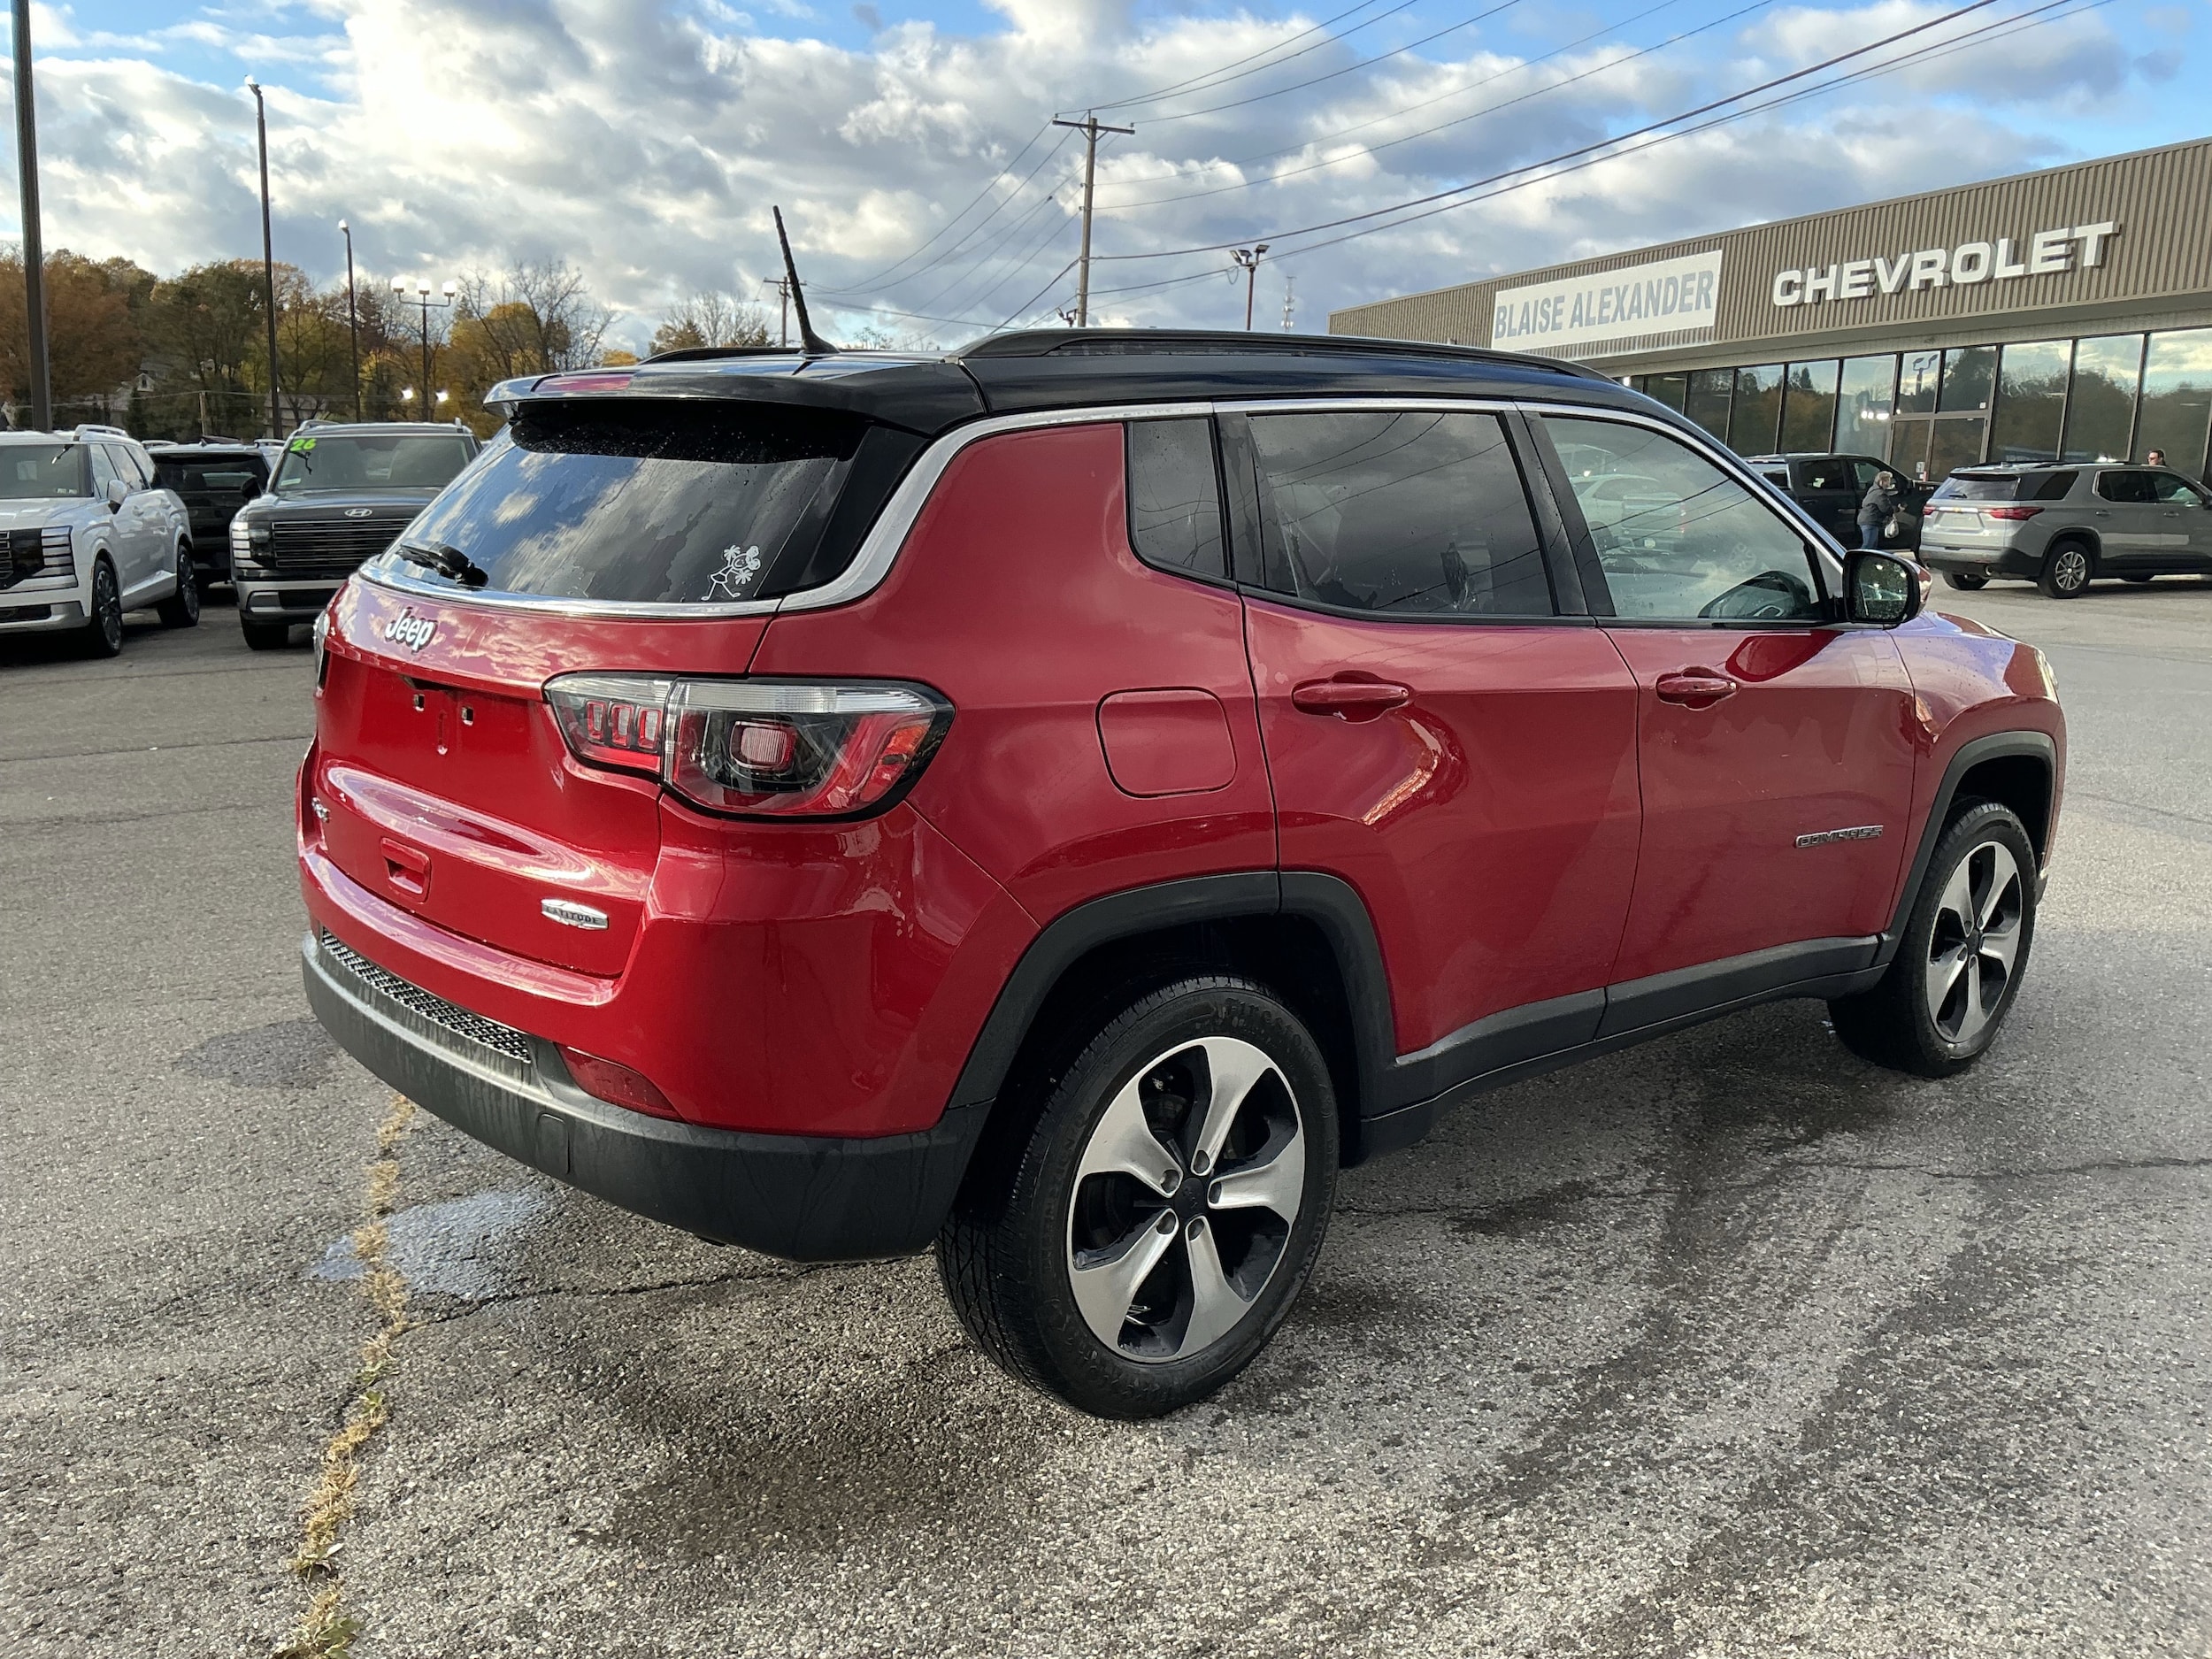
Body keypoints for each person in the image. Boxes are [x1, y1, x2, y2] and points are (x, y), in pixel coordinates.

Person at [1858, 470, 1903, 549]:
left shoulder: (1872, 490)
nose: (1889, 484)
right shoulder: (1880, 494)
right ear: (1882, 481)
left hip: (1866, 520)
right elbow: (1886, 509)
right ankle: (1857, 560)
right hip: (1870, 521)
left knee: (1871, 545)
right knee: (1868, 546)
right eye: (1887, 481)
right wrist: (1898, 509)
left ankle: (1867, 560)